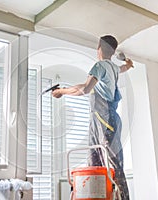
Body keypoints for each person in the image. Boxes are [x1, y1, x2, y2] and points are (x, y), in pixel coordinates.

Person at [52, 35, 133, 200]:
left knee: (112, 165)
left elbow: (85, 89)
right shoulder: (113, 68)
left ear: (99, 48)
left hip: (105, 120)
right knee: (96, 162)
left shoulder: (100, 66)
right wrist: (128, 65)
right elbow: (121, 69)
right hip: (102, 120)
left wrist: (61, 92)